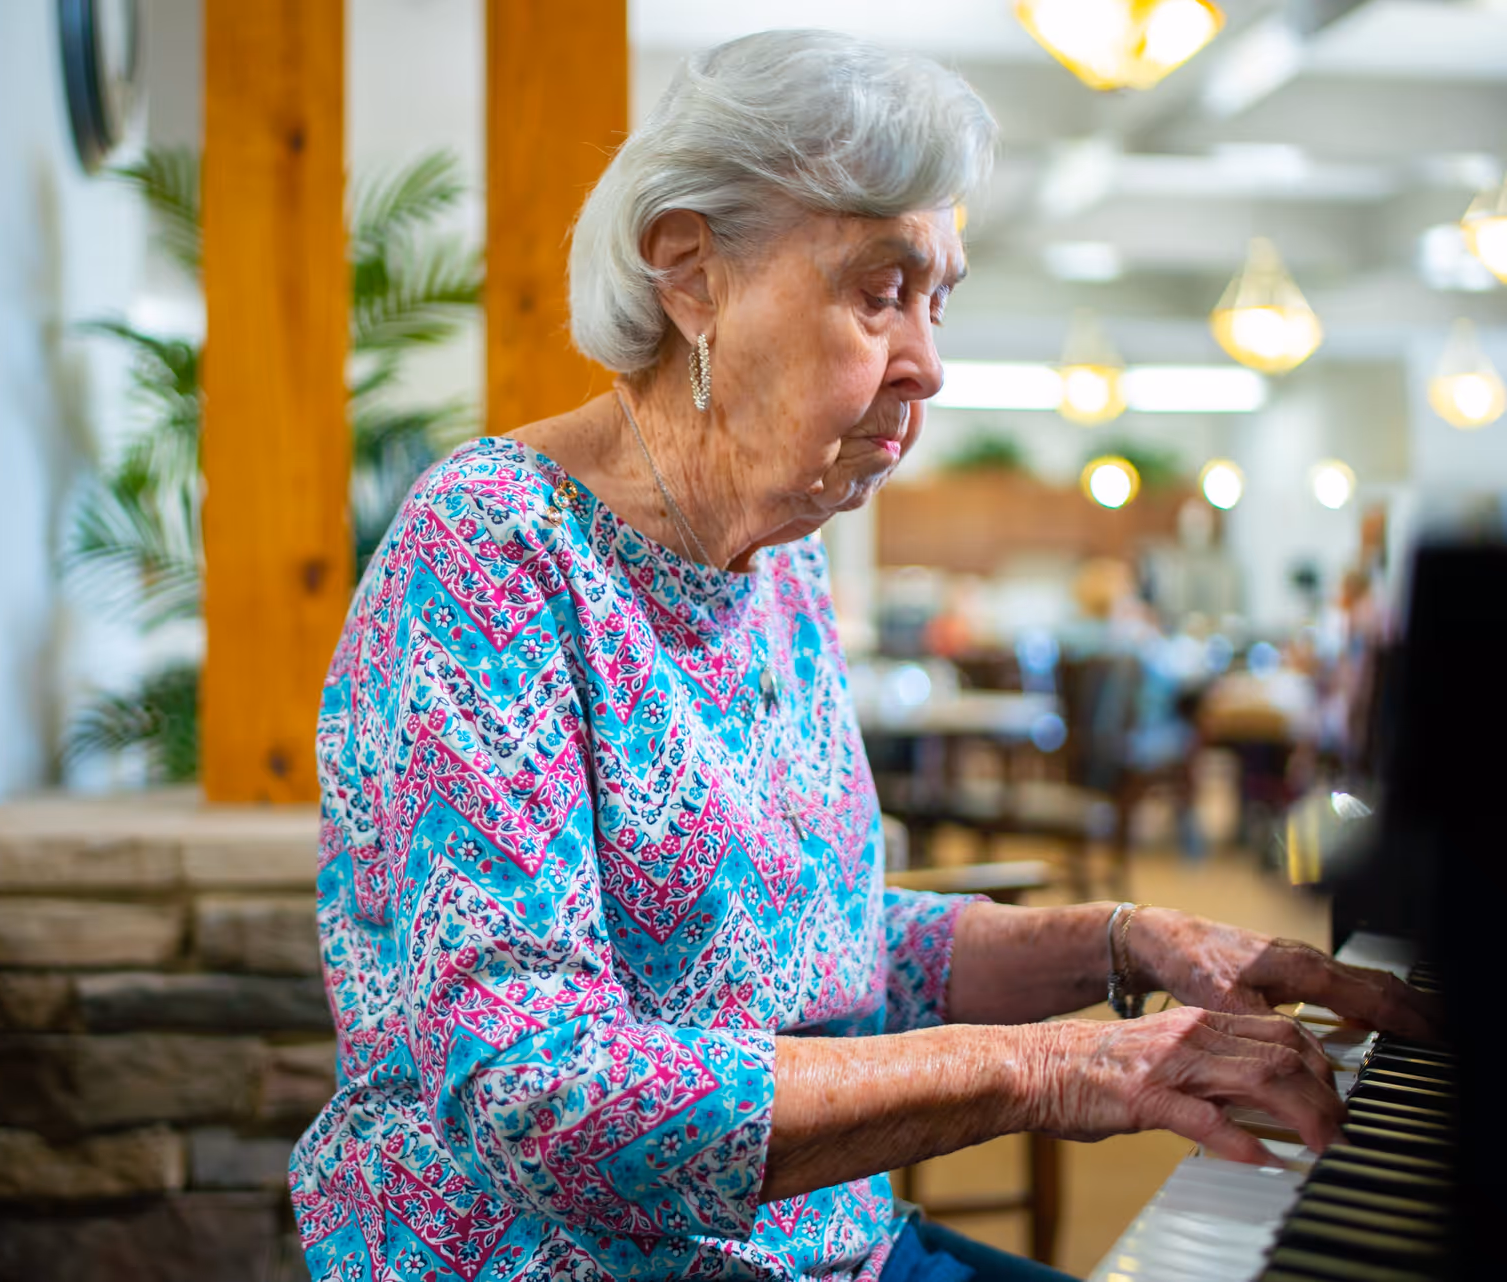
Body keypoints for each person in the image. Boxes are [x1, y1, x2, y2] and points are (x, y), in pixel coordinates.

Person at [292, 30, 1436, 1282]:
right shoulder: (491, 549)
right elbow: (533, 1088)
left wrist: (1125, 939)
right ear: (692, 275)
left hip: (820, 1244)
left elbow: (826, 953)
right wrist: (1059, 1065)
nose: (929, 362)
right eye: (880, 289)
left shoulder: (781, 566)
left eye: (937, 299)